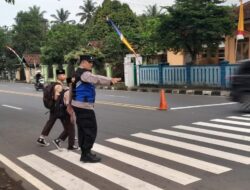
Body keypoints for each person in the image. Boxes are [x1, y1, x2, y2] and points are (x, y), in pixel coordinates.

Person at [71, 55, 121, 163]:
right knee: (90, 130)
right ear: (83, 62)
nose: (91, 64)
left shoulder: (76, 73)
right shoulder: (84, 73)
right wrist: (110, 80)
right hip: (84, 106)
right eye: (90, 62)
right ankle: (86, 154)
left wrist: (69, 105)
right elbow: (96, 78)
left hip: (77, 105)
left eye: (92, 62)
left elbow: (71, 88)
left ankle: (85, 153)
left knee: (83, 130)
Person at [37, 69, 77, 150]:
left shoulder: (57, 84)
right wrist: (63, 93)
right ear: (59, 76)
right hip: (59, 109)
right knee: (70, 125)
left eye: (64, 75)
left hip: (54, 108)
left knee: (50, 122)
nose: (65, 76)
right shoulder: (58, 86)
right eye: (63, 75)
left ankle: (41, 138)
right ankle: (65, 139)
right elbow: (56, 97)